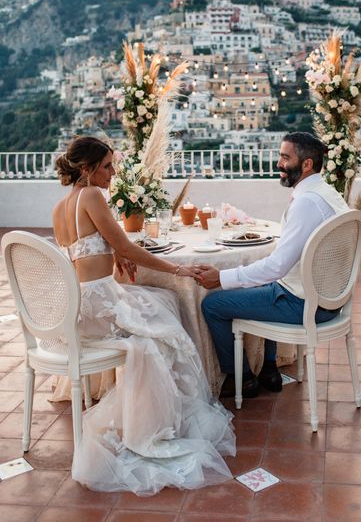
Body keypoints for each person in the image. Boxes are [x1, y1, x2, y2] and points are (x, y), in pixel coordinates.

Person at [52, 136, 235, 495]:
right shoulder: (91, 196)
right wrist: (176, 270)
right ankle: (153, 424)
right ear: (87, 170)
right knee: (168, 319)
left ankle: (152, 413)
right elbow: (124, 244)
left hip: (79, 308)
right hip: (100, 304)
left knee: (161, 305)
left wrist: (115, 253)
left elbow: (89, 250)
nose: (112, 173)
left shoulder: (61, 206)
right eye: (106, 166)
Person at [196, 132, 349, 398]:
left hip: (307, 305)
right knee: (265, 280)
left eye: (284, 157)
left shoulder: (306, 202)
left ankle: (241, 378)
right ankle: (268, 367)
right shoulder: (327, 193)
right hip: (331, 299)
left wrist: (221, 278)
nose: (278, 163)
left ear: (307, 164)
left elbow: (276, 267)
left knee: (213, 304)